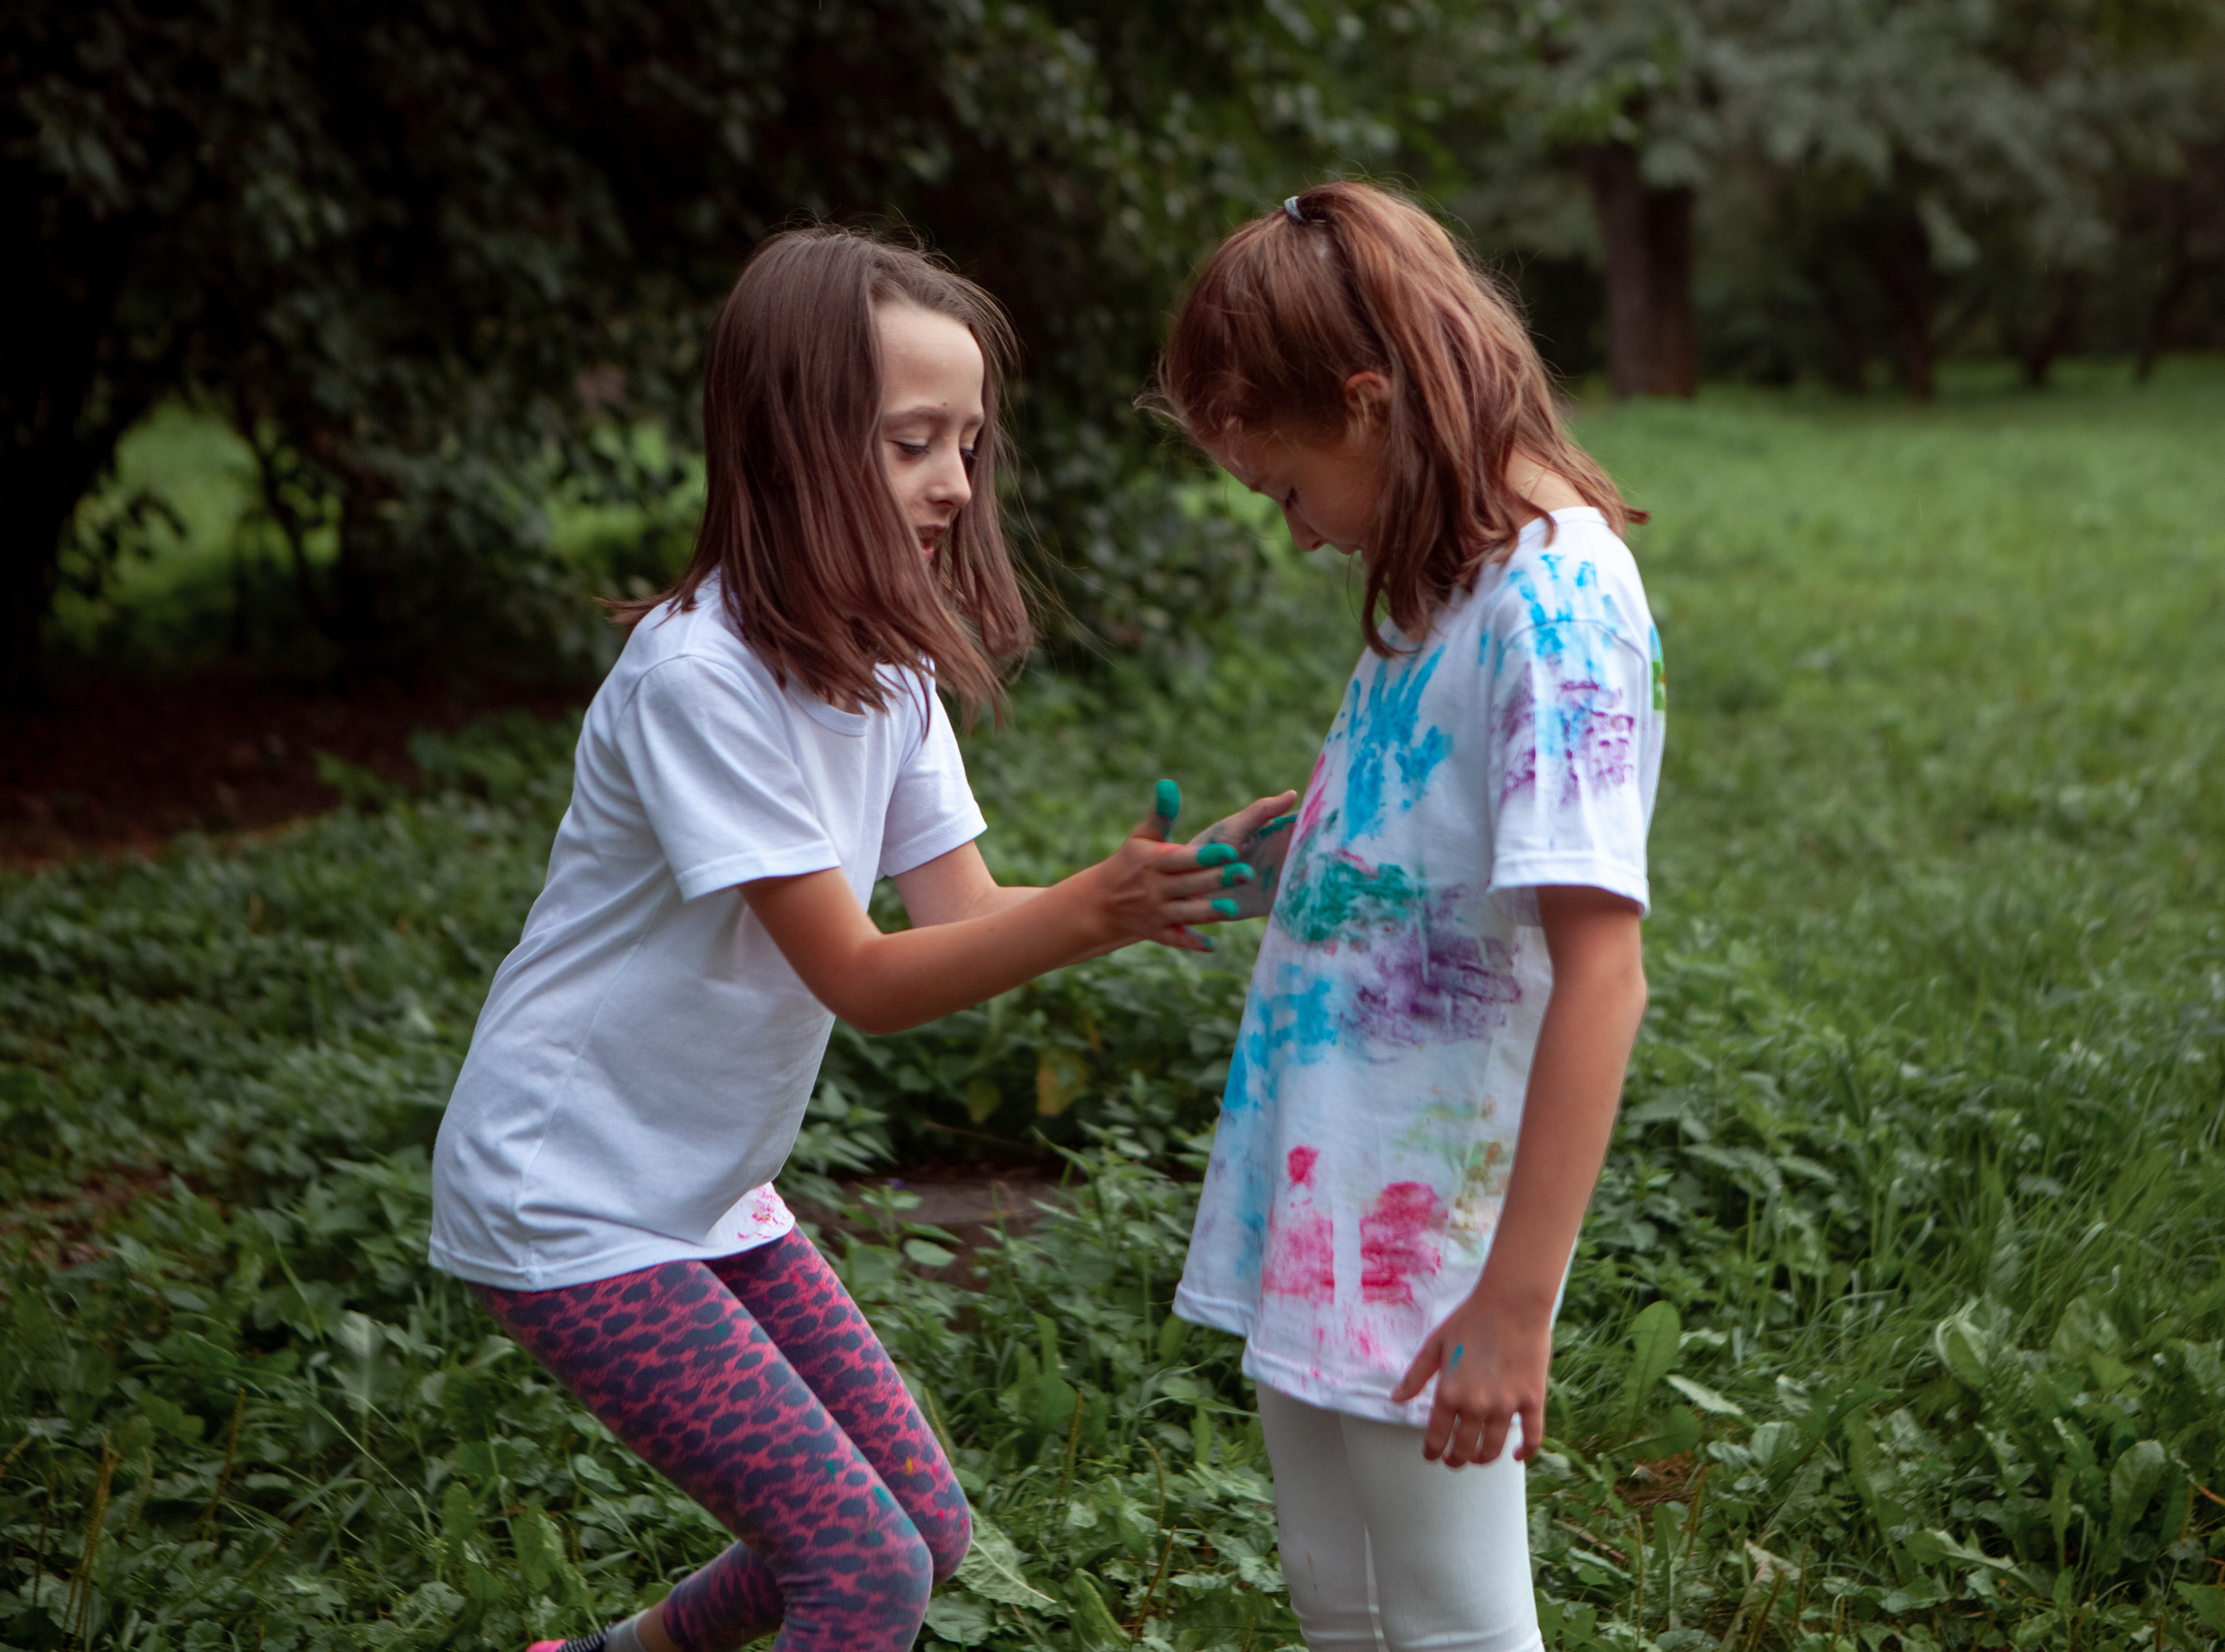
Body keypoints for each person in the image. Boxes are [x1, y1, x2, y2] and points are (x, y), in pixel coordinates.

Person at [426, 227, 1288, 1652]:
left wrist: (1158, 890)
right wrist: (1095, 908)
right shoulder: (701, 679)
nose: (955, 482)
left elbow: (959, 914)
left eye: (968, 443)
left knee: (925, 1532)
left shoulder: (878, 670)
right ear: (792, 442)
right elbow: (865, 978)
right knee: (860, 1568)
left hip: (702, 1191)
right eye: (910, 444)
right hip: (569, 1195)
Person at [1157, 181, 1663, 1652]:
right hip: (1323, 1191)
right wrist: (1275, 866)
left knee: (1451, 1631)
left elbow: (1602, 971)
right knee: (1345, 1609)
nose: (1302, 535)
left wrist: (1516, 1303)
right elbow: (1438, 861)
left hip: (1430, 1240)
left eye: (1287, 489)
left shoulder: (1556, 604)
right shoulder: (1436, 585)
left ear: (1367, 404)